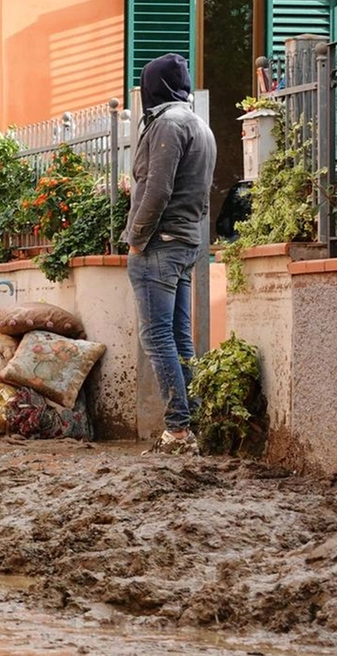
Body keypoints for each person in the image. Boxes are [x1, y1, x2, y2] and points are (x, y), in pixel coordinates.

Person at [125, 53, 216, 455]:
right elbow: (196, 195)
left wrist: (136, 237)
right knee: (181, 337)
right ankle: (191, 422)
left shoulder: (166, 124)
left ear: (152, 86)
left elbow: (159, 190)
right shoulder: (200, 126)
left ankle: (178, 430)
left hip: (158, 245)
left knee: (158, 337)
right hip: (185, 243)